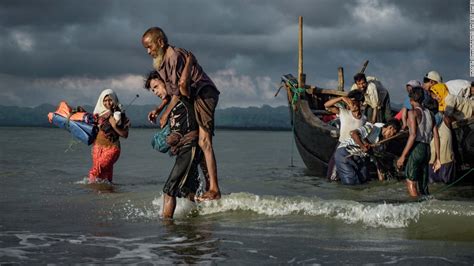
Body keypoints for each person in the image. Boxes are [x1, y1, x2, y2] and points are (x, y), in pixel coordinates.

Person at [142, 27, 221, 201]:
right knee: (198, 144)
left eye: (150, 47)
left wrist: (165, 113)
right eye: (146, 49)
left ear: (160, 42)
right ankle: (206, 188)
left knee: (204, 140)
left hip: (203, 93)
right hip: (193, 96)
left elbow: (182, 88)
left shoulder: (174, 56)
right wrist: (160, 108)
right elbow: (172, 92)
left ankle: (214, 189)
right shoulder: (163, 62)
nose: (148, 51)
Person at [145, 71, 203, 219]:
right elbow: (170, 98)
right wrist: (159, 109)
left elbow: (178, 90)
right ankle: (211, 211)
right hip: (185, 150)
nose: (155, 92)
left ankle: (167, 228)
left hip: (190, 147)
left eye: (156, 87)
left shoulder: (183, 94)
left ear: (165, 81)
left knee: (168, 189)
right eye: (153, 90)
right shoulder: (171, 102)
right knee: (186, 191)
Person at [396, 87, 441, 197]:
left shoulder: (413, 113)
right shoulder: (430, 114)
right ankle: (426, 205)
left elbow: (413, 135)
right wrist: (438, 158)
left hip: (417, 148)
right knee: (423, 183)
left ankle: (417, 207)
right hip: (427, 149)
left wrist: (402, 156)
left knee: (411, 181)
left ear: (411, 100)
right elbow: (436, 136)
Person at [335, 119, 401, 185]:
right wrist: (362, 146)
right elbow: (353, 133)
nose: (392, 136)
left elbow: (375, 158)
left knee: (364, 180)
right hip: (346, 152)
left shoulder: (383, 141)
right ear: (390, 127)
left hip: (361, 157)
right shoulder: (371, 127)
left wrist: (382, 180)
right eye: (393, 133)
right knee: (352, 182)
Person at [89, 89, 130, 183]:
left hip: (112, 148)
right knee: (105, 175)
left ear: (115, 100)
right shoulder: (98, 115)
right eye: (105, 100)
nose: (108, 103)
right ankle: (106, 194)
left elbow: (125, 134)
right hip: (97, 148)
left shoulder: (121, 116)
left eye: (110, 100)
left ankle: (89, 190)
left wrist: (114, 126)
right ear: (101, 101)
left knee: (96, 171)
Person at [324, 90, 367, 180]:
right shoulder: (343, 112)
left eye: (353, 103)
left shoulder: (364, 118)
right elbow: (326, 105)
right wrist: (341, 98)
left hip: (355, 148)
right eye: (349, 102)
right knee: (332, 175)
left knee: (358, 174)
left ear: (360, 103)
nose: (351, 104)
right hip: (341, 146)